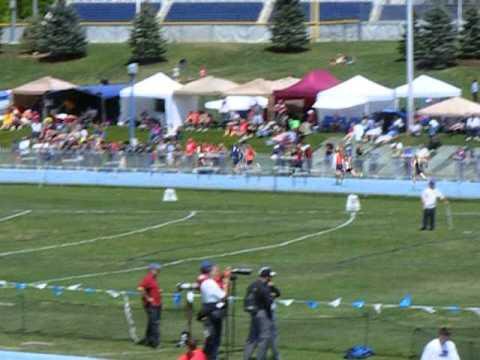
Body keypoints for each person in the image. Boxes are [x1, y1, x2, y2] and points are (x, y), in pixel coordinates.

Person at [199, 261, 231, 360]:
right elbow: (223, 296)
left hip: (209, 313)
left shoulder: (206, 282)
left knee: (210, 340)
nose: (216, 271)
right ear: (209, 271)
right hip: (213, 314)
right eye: (214, 269)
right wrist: (226, 281)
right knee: (213, 340)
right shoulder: (210, 283)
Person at [243, 267, 276, 360]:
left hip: (253, 313)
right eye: (270, 276)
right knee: (264, 338)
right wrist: (272, 296)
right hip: (263, 314)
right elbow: (269, 302)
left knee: (252, 338)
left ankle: (246, 357)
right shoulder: (264, 287)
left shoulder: (252, 285)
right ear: (267, 277)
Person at [137, 263, 162, 348]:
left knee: (152, 322)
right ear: (152, 270)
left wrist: (158, 291)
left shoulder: (154, 278)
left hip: (157, 304)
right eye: (157, 270)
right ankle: (155, 343)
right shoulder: (148, 278)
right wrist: (148, 298)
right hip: (151, 305)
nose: (159, 272)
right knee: (154, 323)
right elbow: (140, 288)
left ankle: (148, 339)